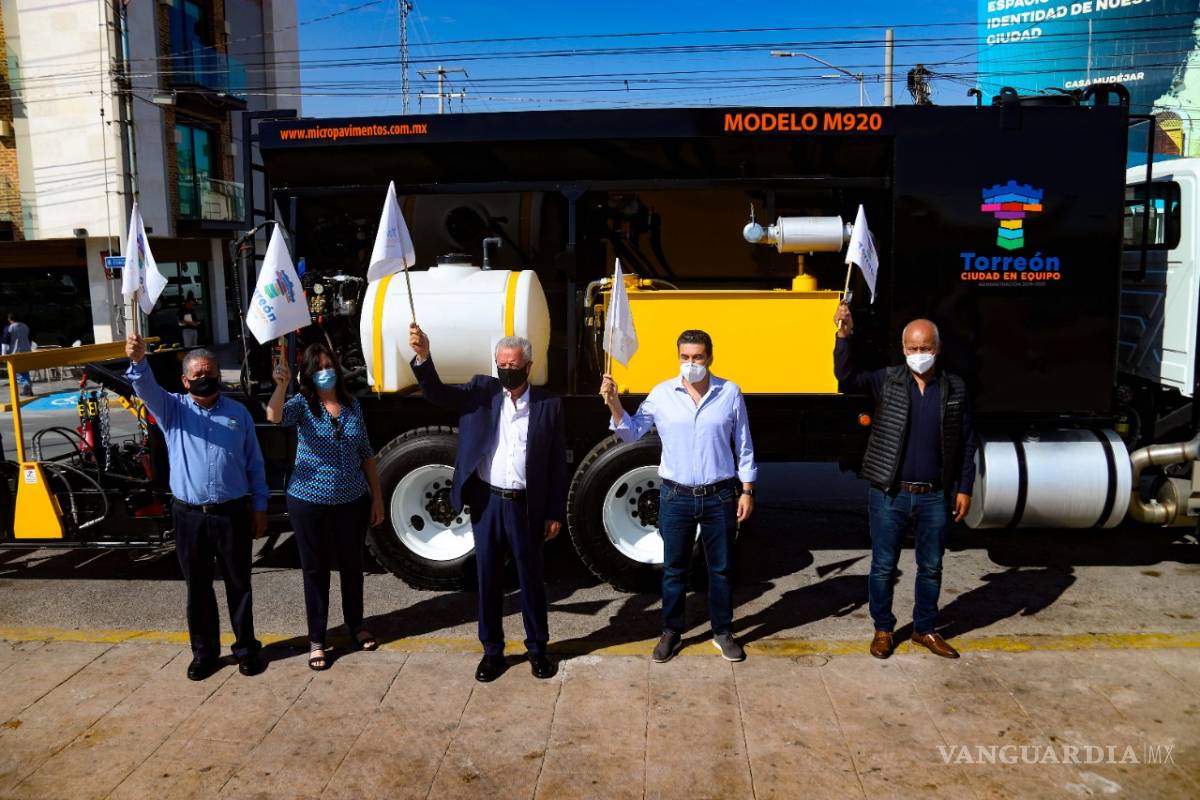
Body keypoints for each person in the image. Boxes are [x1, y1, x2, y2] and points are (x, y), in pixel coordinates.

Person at [409, 323, 567, 682]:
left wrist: (554, 510)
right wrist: (423, 357)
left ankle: (538, 649)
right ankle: (492, 652)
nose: (506, 370)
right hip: (488, 502)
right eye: (501, 363)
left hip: (526, 505)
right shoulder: (481, 391)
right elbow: (436, 393)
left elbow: (557, 462)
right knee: (489, 579)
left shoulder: (549, 406)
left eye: (513, 365)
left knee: (531, 579)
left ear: (528, 366)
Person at [600, 329, 757, 664]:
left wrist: (747, 489)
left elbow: (744, 446)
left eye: (698, 357)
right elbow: (630, 432)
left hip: (719, 497)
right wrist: (614, 402)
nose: (691, 364)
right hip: (675, 497)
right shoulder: (661, 394)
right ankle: (671, 631)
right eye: (685, 357)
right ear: (678, 358)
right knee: (673, 569)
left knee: (722, 568)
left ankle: (723, 631)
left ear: (710, 358)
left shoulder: (729, 393)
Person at [833, 304, 976, 660]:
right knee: (883, 565)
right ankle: (883, 629)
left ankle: (924, 629)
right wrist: (843, 335)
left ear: (937, 348)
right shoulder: (888, 379)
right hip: (890, 494)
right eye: (912, 349)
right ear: (903, 349)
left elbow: (967, 441)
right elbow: (846, 377)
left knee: (931, 566)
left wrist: (964, 487)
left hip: (935, 496)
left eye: (925, 348)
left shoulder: (954, 388)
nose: (919, 355)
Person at [125, 333, 268, 680]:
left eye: (211, 372)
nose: (205, 378)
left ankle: (246, 649)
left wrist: (260, 506)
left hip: (232, 513)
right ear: (186, 380)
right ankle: (204, 653)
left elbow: (255, 463)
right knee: (199, 589)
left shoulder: (238, 413)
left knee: (239, 585)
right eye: (198, 374)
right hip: (190, 516)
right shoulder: (172, 409)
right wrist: (138, 361)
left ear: (219, 376)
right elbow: (145, 388)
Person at [266, 343, 384, 670]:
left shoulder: (352, 405)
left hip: (352, 500)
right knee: (315, 570)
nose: (325, 371)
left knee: (351, 566)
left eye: (328, 364)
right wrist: (279, 386)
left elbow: (366, 453)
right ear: (308, 374)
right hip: (309, 501)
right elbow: (274, 416)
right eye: (317, 367)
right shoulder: (303, 404)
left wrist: (377, 496)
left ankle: (356, 626)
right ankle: (317, 639)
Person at [3, 313, 33, 396]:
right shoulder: (25, 326)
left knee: (17, 371)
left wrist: (4, 354)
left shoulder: (10, 327)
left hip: (16, 352)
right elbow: (30, 339)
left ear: (9, 319)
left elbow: (5, 341)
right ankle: (28, 389)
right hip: (27, 351)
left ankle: (26, 385)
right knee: (25, 370)